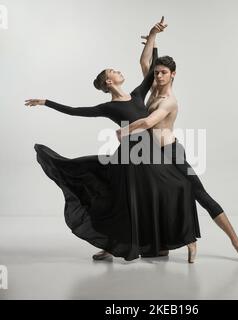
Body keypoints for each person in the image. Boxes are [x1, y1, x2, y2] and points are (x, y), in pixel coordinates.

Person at [25, 19, 199, 263]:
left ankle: (188, 242)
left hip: (148, 154)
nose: (118, 71)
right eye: (113, 72)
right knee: (118, 201)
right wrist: (46, 102)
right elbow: (75, 110)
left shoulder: (139, 94)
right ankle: (111, 246)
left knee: (176, 188)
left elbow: (150, 67)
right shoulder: (107, 107)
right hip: (127, 158)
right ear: (109, 82)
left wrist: (152, 36)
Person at [117, 17, 238, 263]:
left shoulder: (169, 100)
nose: (158, 76)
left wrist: (125, 130)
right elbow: (144, 61)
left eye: (163, 73)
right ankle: (143, 244)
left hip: (171, 153)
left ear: (173, 75)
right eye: (157, 72)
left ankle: (237, 243)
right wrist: (152, 36)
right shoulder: (151, 90)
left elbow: (149, 123)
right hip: (150, 155)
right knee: (143, 192)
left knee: (200, 194)